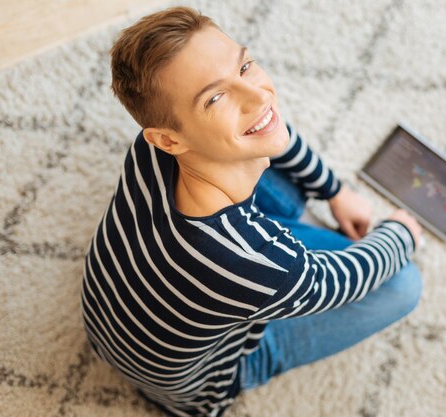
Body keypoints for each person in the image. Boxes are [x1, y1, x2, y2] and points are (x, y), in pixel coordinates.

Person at [80, 6, 423, 417]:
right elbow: (340, 282)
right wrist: (401, 233)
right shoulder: (256, 265)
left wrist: (334, 190)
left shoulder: (150, 148)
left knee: (261, 140)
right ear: (168, 139)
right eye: (216, 97)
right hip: (201, 385)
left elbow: (270, 126)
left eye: (244, 66)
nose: (258, 94)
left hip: (110, 321)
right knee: (402, 283)